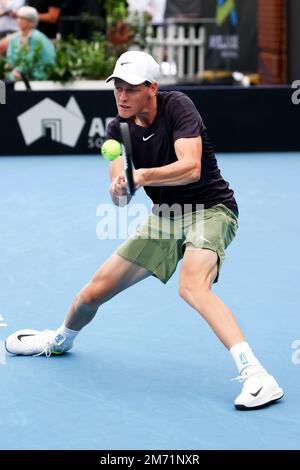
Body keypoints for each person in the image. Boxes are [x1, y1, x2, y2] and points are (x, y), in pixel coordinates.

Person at [5, 51, 284, 410]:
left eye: (132, 89)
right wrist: (119, 189)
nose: (122, 96)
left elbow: (192, 167)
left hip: (212, 210)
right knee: (92, 293)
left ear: (152, 88)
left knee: (192, 286)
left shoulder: (178, 106)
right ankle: (59, 340)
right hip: (164, 216)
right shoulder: (116, 130)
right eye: (118, 88)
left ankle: (257, 374)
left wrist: (142, 176)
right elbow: (120, 196)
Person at [5, 6, 56, 81]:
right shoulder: (14, 39)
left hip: (37, 81)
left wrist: (29, 76)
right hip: (15, 80)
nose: (19, 20)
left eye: (22, 18)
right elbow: (9, 61)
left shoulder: (40, 38)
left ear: (31, 22)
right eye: (18, 17)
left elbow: (49, 62)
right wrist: (12, 74)